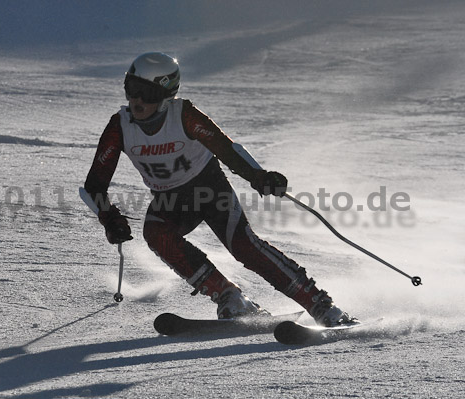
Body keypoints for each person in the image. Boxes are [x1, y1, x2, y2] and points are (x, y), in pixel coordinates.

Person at [83, 52, 356, 326]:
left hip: (209, 190)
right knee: (156, 234)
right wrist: (109, 218)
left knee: (243, 246)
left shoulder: (184, 115)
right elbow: (94, 185)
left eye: (147, 93)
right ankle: (229, 296)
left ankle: (321, 305)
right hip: (171, 200)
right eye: (132, 88)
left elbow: (227, 149)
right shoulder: (120, 126)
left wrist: (257, 176)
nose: (137, 101)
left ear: (167, 95)